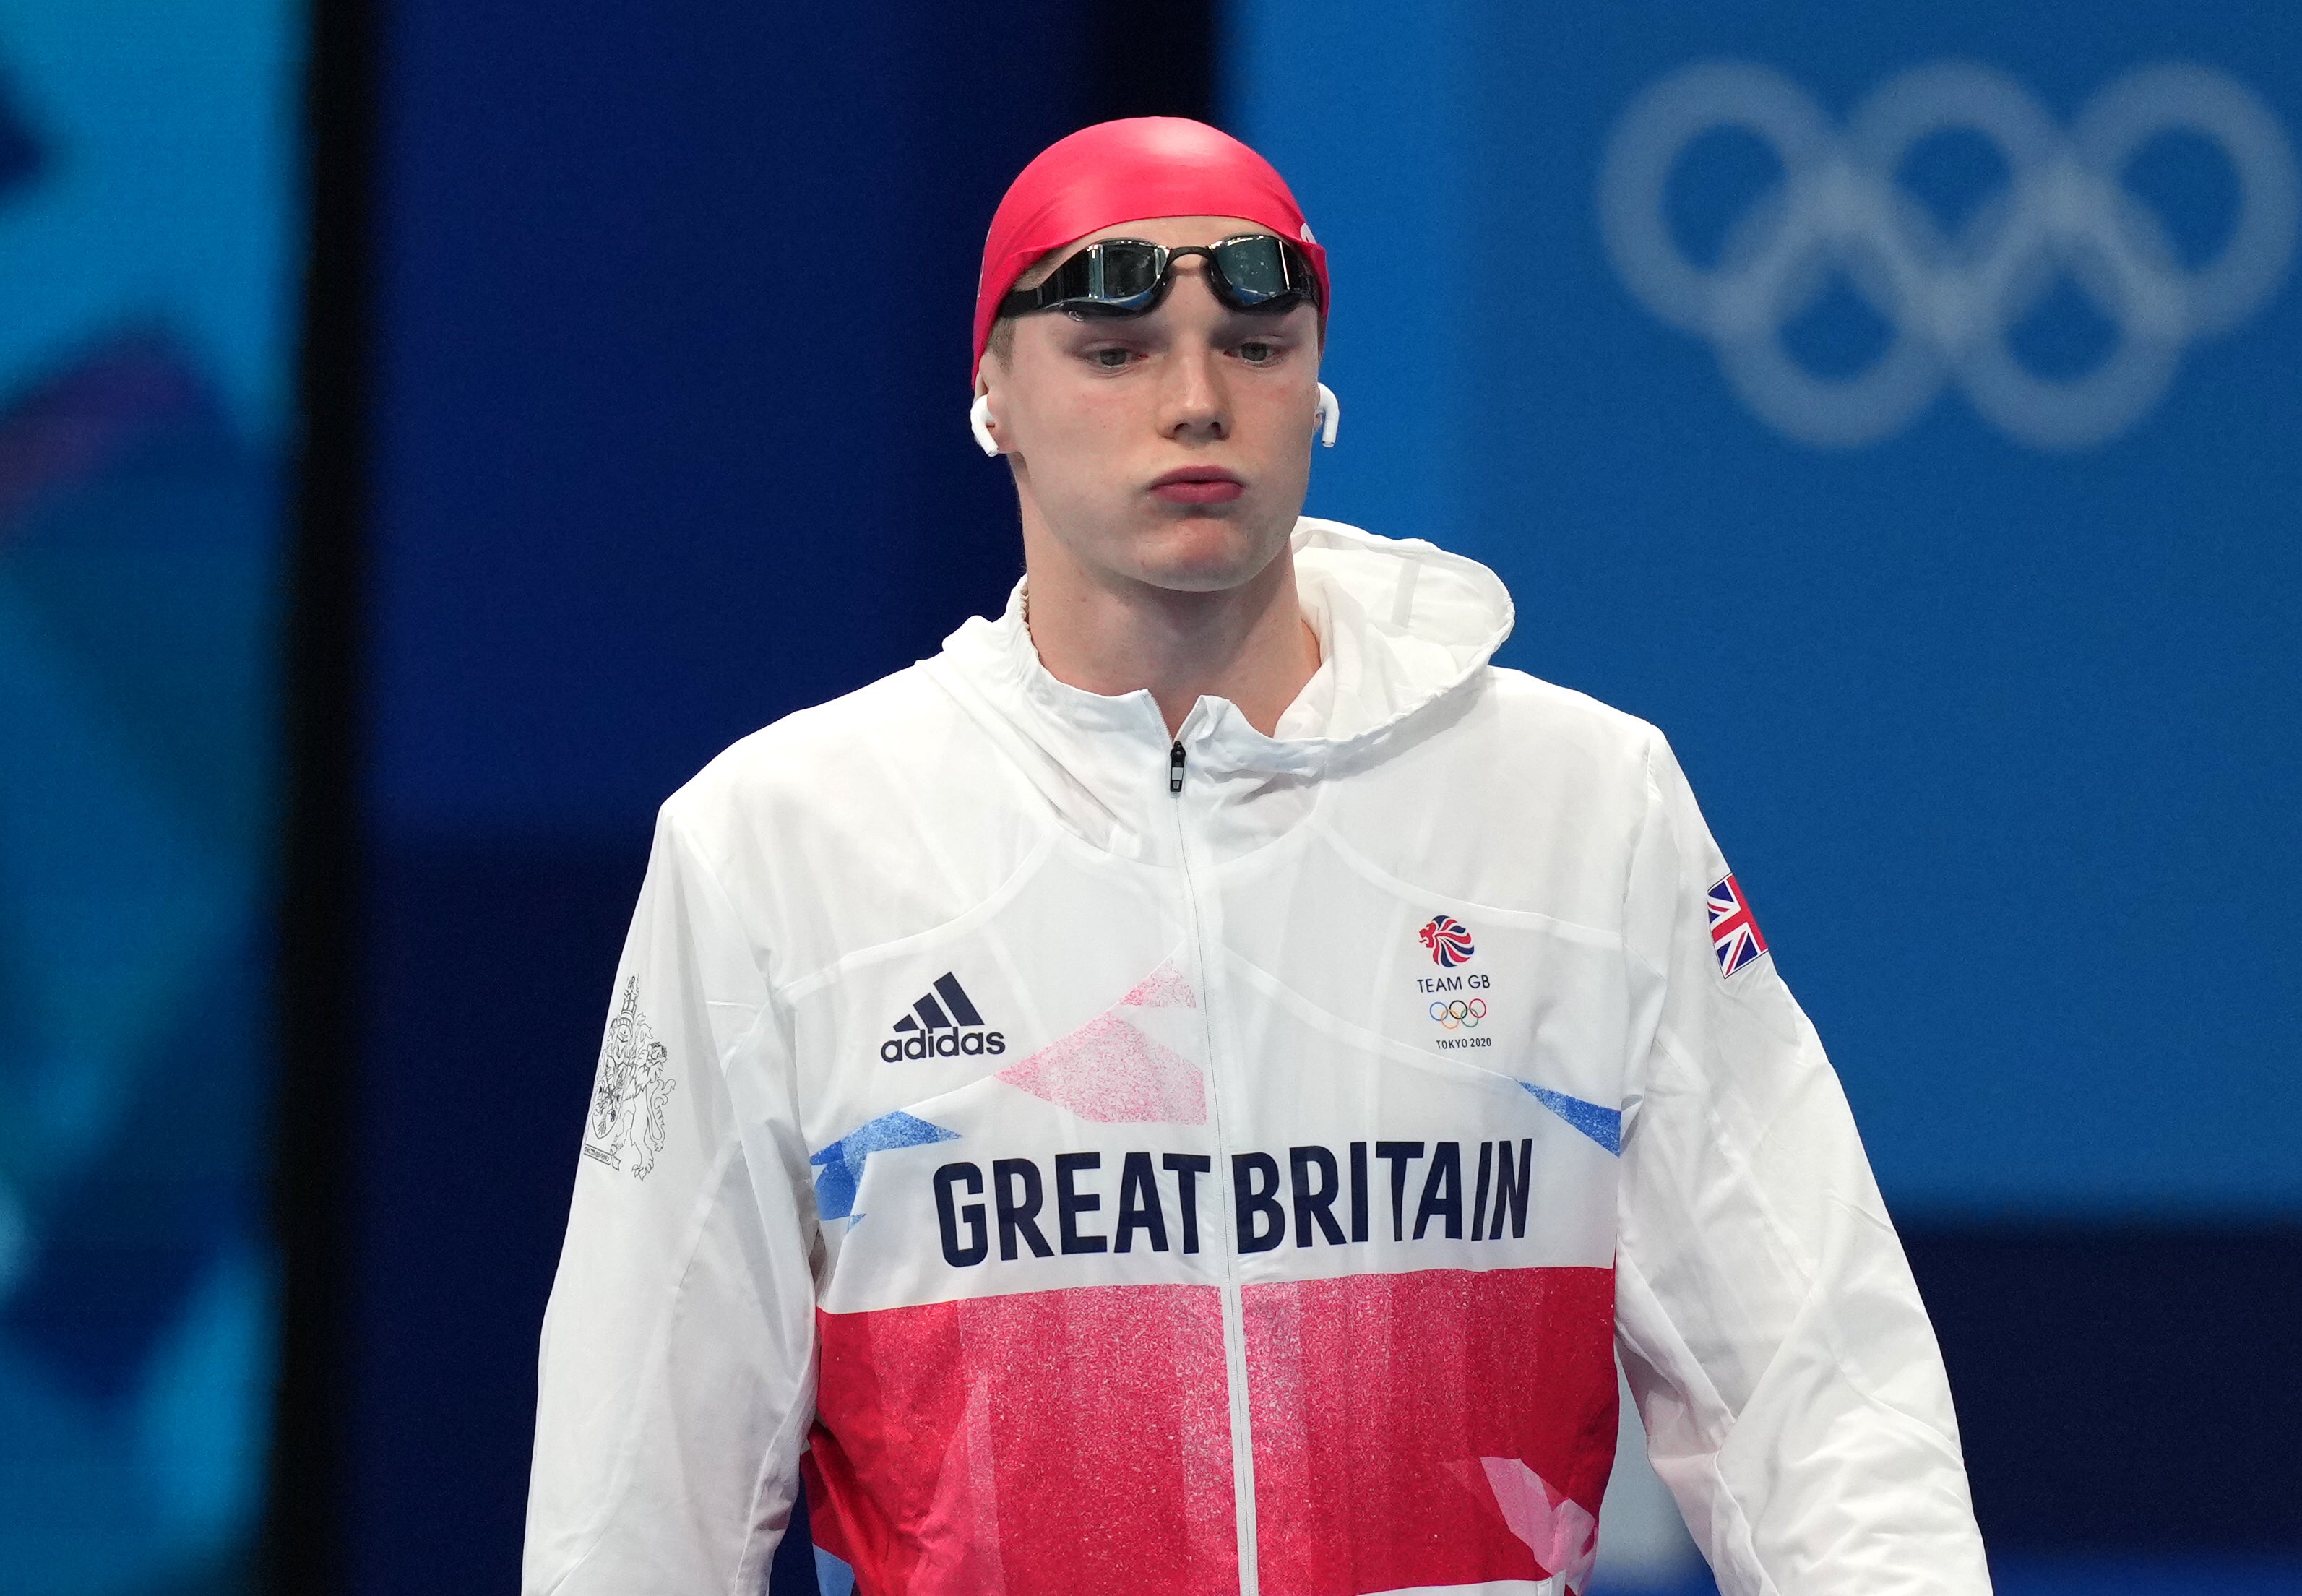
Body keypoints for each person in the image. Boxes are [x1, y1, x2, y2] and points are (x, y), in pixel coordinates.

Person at [522, 117, 1989, 1596]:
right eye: (1116, 350)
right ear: (993, 395)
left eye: (1256, 342)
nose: (1197, 400)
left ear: (1317, 386)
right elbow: (640, 1483)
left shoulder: (1582, 805)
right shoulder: (783, 843)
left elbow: (1817, 1389)